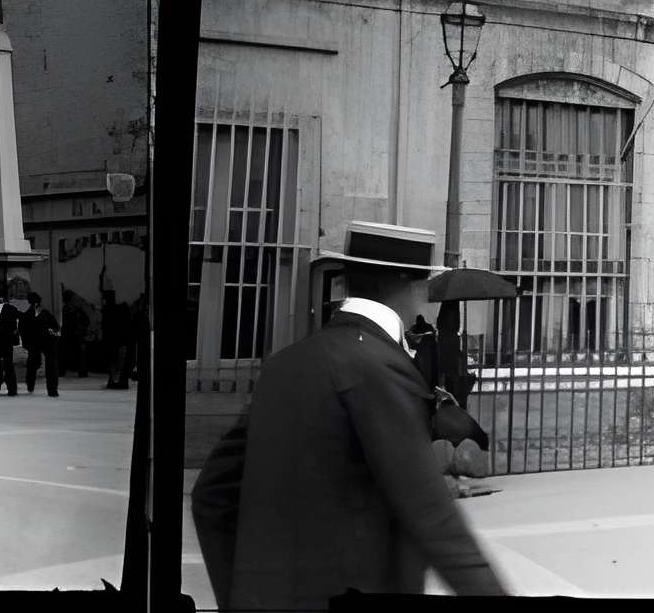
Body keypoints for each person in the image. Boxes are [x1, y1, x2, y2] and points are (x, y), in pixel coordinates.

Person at [191, 222, 506, 610]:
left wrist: (243, 595)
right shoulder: (376, 367)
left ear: (347, 280)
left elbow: (211, 496)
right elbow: (432, 518)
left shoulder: (285, 364)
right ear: (418, 287)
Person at [23, 290, 62, 396]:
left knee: (33, 364)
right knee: (51, 365)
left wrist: (26, 343)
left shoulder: (28, 314)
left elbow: (24, 330)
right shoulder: (45, 313)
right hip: (47, 342)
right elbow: (55, 327)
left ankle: (30, 385)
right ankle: (52, 390)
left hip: (35, 342)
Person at [0, 291, 22, 396]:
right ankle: (12, 388)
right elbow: (17, 324)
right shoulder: (13, 309)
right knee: (8, 365)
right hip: (8, 341)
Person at [101, 289, 132, 390]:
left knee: (116, 359)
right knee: (117, 359)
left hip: (115, 338)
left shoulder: (109, 311)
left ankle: (116, 380)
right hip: (117, 337)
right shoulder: (113, 310)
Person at [63, 288, 94, 379]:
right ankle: (76, 370)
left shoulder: (76, 310)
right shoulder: (66, 310)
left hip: (77, 335)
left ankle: (82, 371)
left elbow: (86, 320)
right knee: (76, 353)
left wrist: (82, 329)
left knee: (81, 353)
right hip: (71, 335)